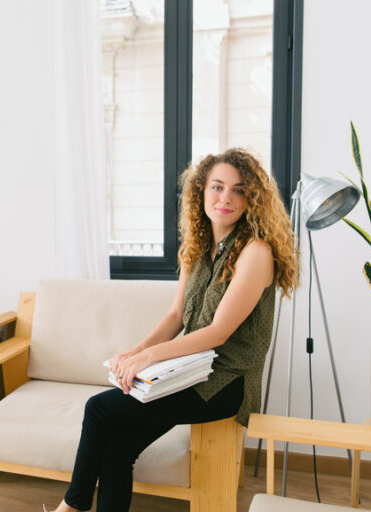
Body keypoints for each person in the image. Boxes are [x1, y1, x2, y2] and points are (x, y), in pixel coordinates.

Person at [46, 148, 299, 512]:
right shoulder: (198, 246)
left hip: (227, 382)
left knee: (98, 409)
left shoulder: (255, 252)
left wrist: (148, 358)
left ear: (252, 198)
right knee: (117, 449)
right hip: (190, 370)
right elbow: (176, 315)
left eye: (238, 190)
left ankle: (71, 508)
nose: (225, 198)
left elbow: (218, 333)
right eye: (217, 187)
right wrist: (134, 352)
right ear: (201, 191)